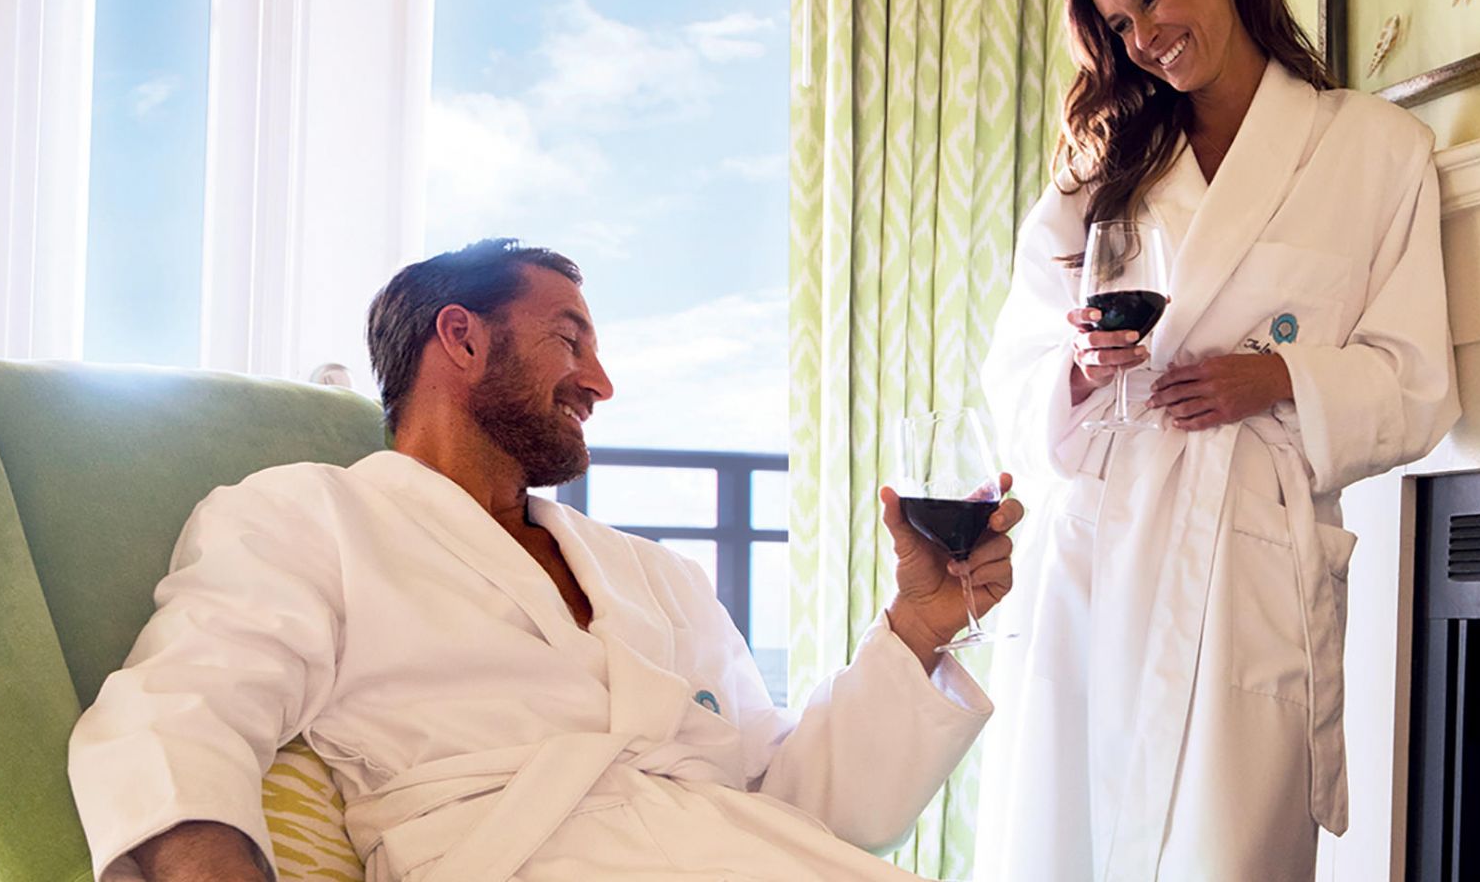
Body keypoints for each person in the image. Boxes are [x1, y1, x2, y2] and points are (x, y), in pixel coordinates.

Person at [69, 239, 1022, 882]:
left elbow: (806, 808)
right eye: (570, 340)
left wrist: (918, 631)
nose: (601, 383)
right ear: (461, 337)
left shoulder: (653, 573)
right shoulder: (310, 515)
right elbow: (180, 717)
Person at [973, 0, 1460, 881]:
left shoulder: (1373, 150)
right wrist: (1079, 367)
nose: (1146, 36)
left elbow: (1417, 381)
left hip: (1250, 556)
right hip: (1106, 550)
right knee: (1071, 839)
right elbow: (1015, 375)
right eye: (1119, 25)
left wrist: (1276, 376)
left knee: (1228, 850)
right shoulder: (1101, 172)